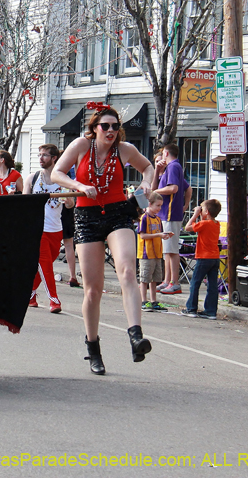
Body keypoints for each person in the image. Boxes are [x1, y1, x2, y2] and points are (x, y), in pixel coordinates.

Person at [52, 103, 155, 374]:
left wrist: (146, 185)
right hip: (86, 217)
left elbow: (148, 168)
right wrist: (80, 186)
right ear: (95, 128)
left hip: (118, 214)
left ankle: (135, 335)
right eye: (105, 126)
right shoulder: (81, 146)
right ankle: (93, 346)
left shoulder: (125, 150)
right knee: (93, 290)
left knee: (128, 271)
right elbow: (56, 173)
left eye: (115, 126)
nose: (111, 131)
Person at [23, 144, 68, 313]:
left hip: (56, 229)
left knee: (43, 265)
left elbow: (70, 204)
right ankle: (54, 300)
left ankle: (30, 294)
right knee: (46, 265)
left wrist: (67, 198)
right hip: (37, 229)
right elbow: (24, 205)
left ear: (54, 158)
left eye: (45, 155)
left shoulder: (62, 179)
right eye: (39, 155)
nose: (41, 158)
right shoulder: (33, 178)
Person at [153, 144, 190, 296]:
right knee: (167, 250)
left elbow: (173, 188)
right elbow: (188, 188)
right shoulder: (170, 168)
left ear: (166, 153)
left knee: (172, 250)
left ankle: (175, 282)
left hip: (170, 213)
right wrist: (157, 170)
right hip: (165, 214)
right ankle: (167, 280)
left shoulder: (174, 166)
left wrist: (154, 191)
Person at [182, 199, 222, 319]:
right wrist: (201, 214)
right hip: (214, 258)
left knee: (195, 283)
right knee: (212, 285)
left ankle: (191, 308)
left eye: (203, 209)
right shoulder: (216, 224)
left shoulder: (204, 224)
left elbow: (187, 227)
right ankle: (211, 311)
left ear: (207, 212)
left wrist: (195, 214)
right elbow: (202, 227)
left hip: (203, 257)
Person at [138, 192, 171, 312]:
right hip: (147, 253)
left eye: (161, 206)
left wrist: (164, 236)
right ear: (150, 204)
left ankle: (153, 300)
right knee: (145, 278)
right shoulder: (144, 218)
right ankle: (143, 300)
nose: (159, 208)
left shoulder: (158, 219)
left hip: (157, 253)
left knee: (154, 279)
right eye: (157, 205)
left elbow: (158, 234)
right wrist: (158, 234)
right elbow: (142, 235)